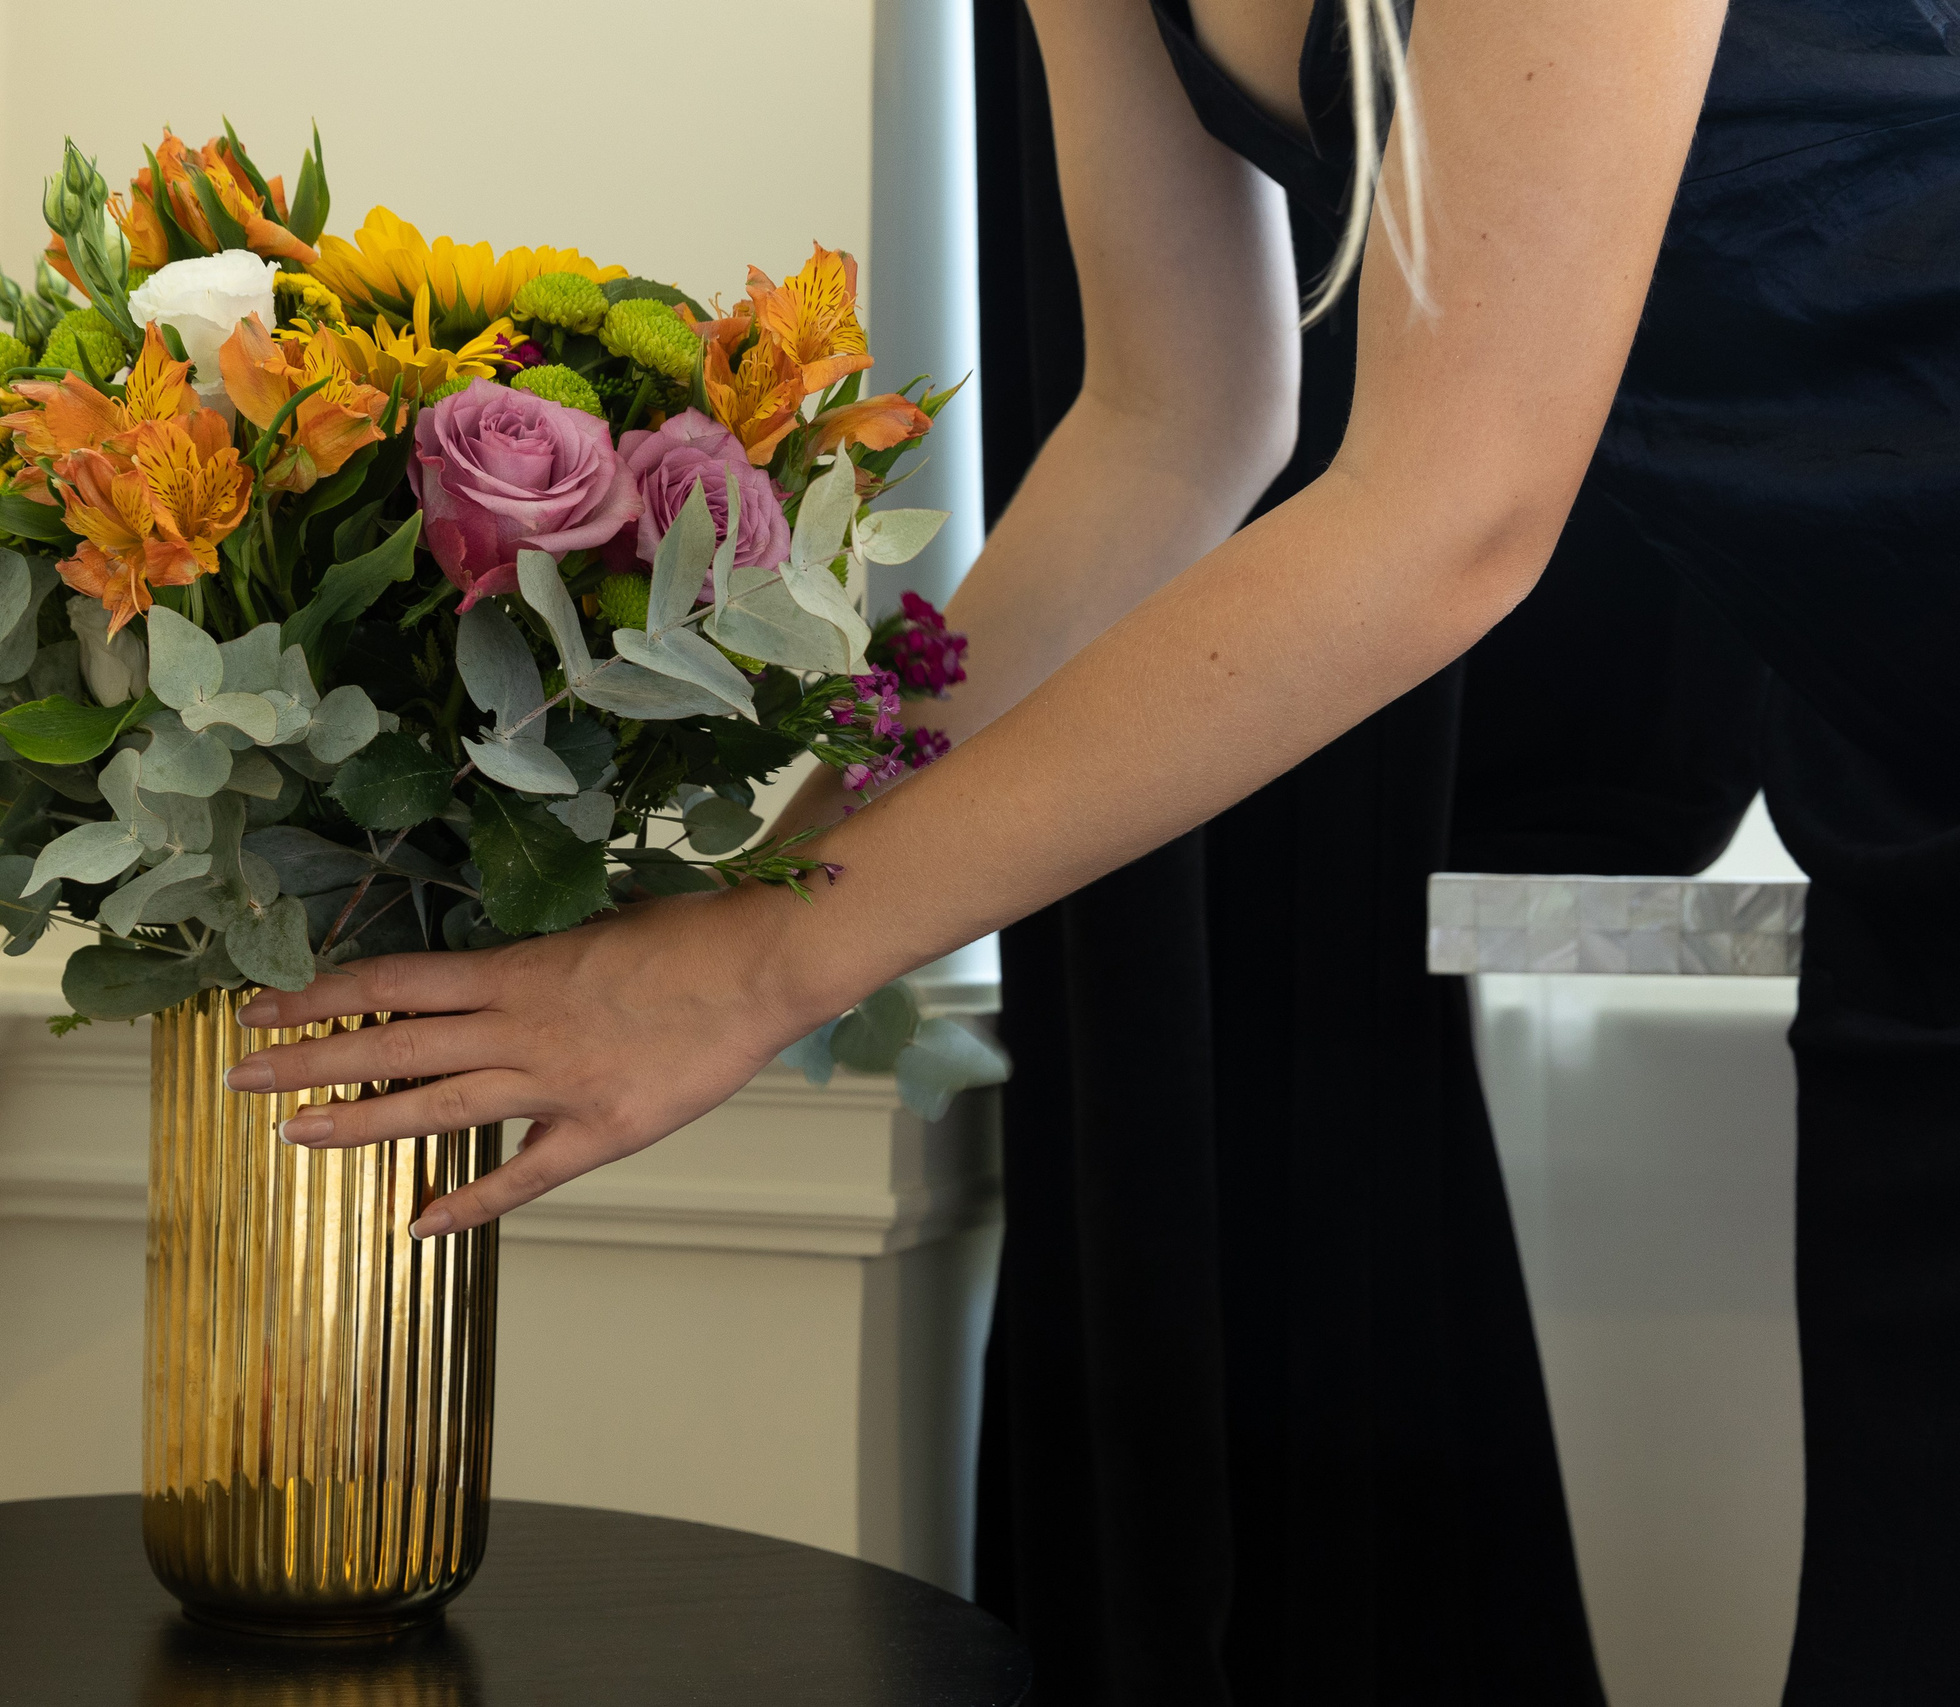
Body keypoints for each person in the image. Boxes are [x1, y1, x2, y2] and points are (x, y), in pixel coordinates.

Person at [228, 0, 1960, 1696]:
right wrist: (759, 885)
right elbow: (1169, 428)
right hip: (1895, 777)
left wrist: (759, 968)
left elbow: (1455, 509)